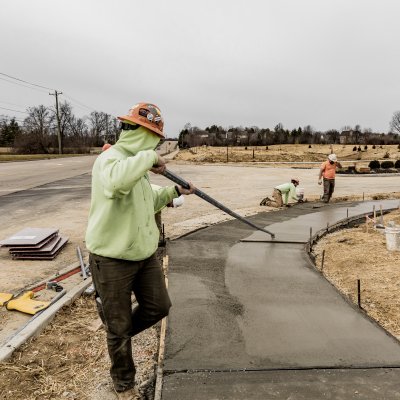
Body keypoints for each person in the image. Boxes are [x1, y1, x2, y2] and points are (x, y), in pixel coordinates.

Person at [85, 103, 195, 399]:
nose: (156, 143)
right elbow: (117, 184)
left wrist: (174, 191)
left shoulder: (137, 164)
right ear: (141, 134)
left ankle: (115, 332)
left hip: (142, 256)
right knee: (119, 328)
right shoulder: (111, 159)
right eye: (154, 138)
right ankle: (123, 384)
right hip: (111, 259)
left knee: (158, 307)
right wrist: (149, 159)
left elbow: (147, 198)